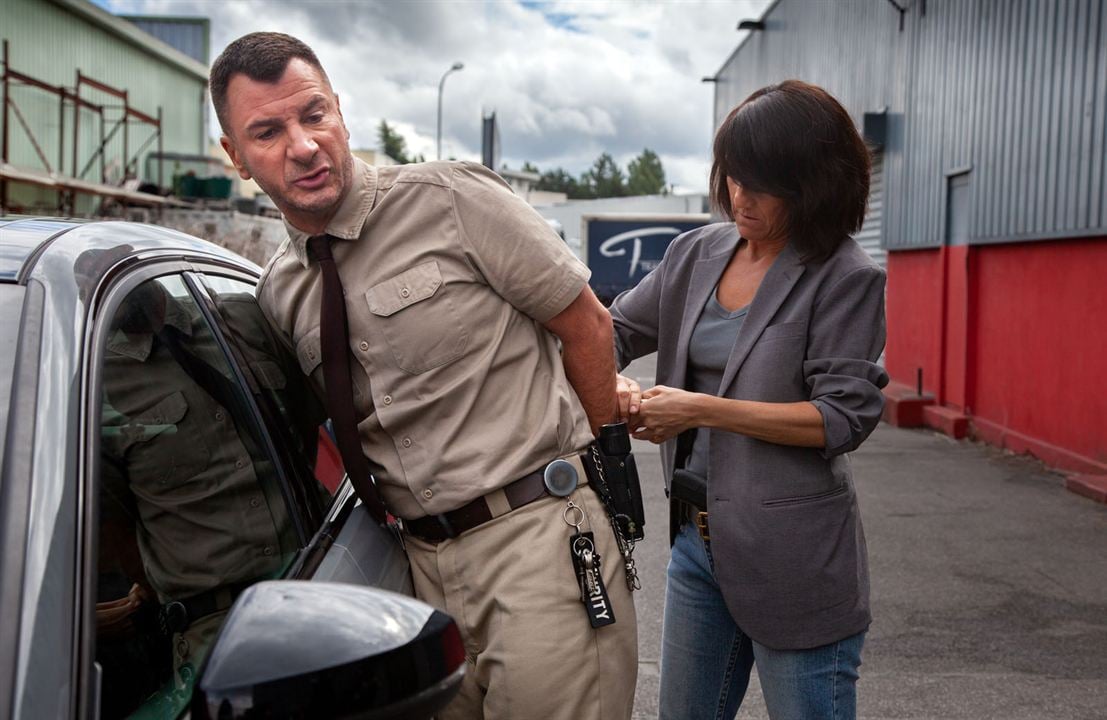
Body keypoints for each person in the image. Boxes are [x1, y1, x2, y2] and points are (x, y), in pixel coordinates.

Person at [210, 32, 637, 720]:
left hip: (535, 542)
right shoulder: (281, 292)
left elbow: (585, 324)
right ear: (236, 158)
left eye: (314, 114)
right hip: (415, 573)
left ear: (341, 113)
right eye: (268, 130)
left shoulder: (451, 199)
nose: (304, 145)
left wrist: (606, 470)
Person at [609, 80, 888, 720]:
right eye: (732, 176)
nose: (740, 195)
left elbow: (839, 419)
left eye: (761, 182)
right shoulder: (695, 253)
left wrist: (700, 408)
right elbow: (616, 333)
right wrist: (612, 381)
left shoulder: (845, 277)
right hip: (696, 546)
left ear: (814, 182)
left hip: (794, 554)